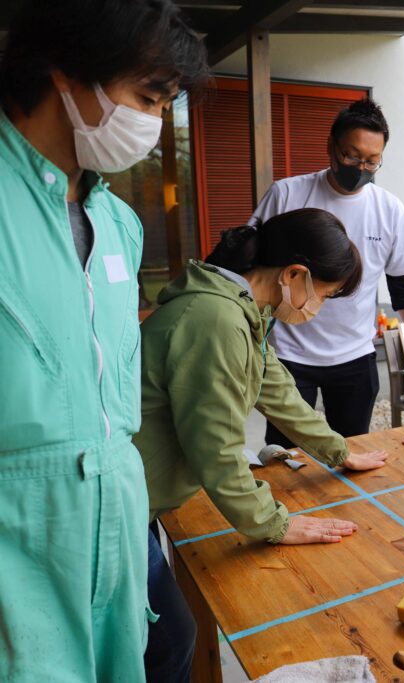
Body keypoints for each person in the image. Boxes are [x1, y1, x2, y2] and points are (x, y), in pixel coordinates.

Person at [0, 1, 208, 680]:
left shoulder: (117, 222)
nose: (153, 123)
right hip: (20, 537)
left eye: (165, 103)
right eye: (147, 97)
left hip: (117, 517)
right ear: (66, 72)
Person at [135, 209, 391, 680]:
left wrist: (339, 450)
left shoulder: (244, 309)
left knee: (160, 638)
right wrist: (273, 523)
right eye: (325, 296)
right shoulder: (216, 319)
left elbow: (279, 391)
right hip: (120, 506)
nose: (317, 308)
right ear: (295, 274)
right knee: (170, 642)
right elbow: (217, 446)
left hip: (142, 500)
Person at [250, 97, 404, 441]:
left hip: (355, 357)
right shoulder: (287, 194)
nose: (360, 168)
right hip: (289, 356)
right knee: (285, 455)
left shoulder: (389, 210)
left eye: (372, 160)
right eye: (351, 156)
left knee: (350, 451)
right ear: (331, 147)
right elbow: (250, 268)